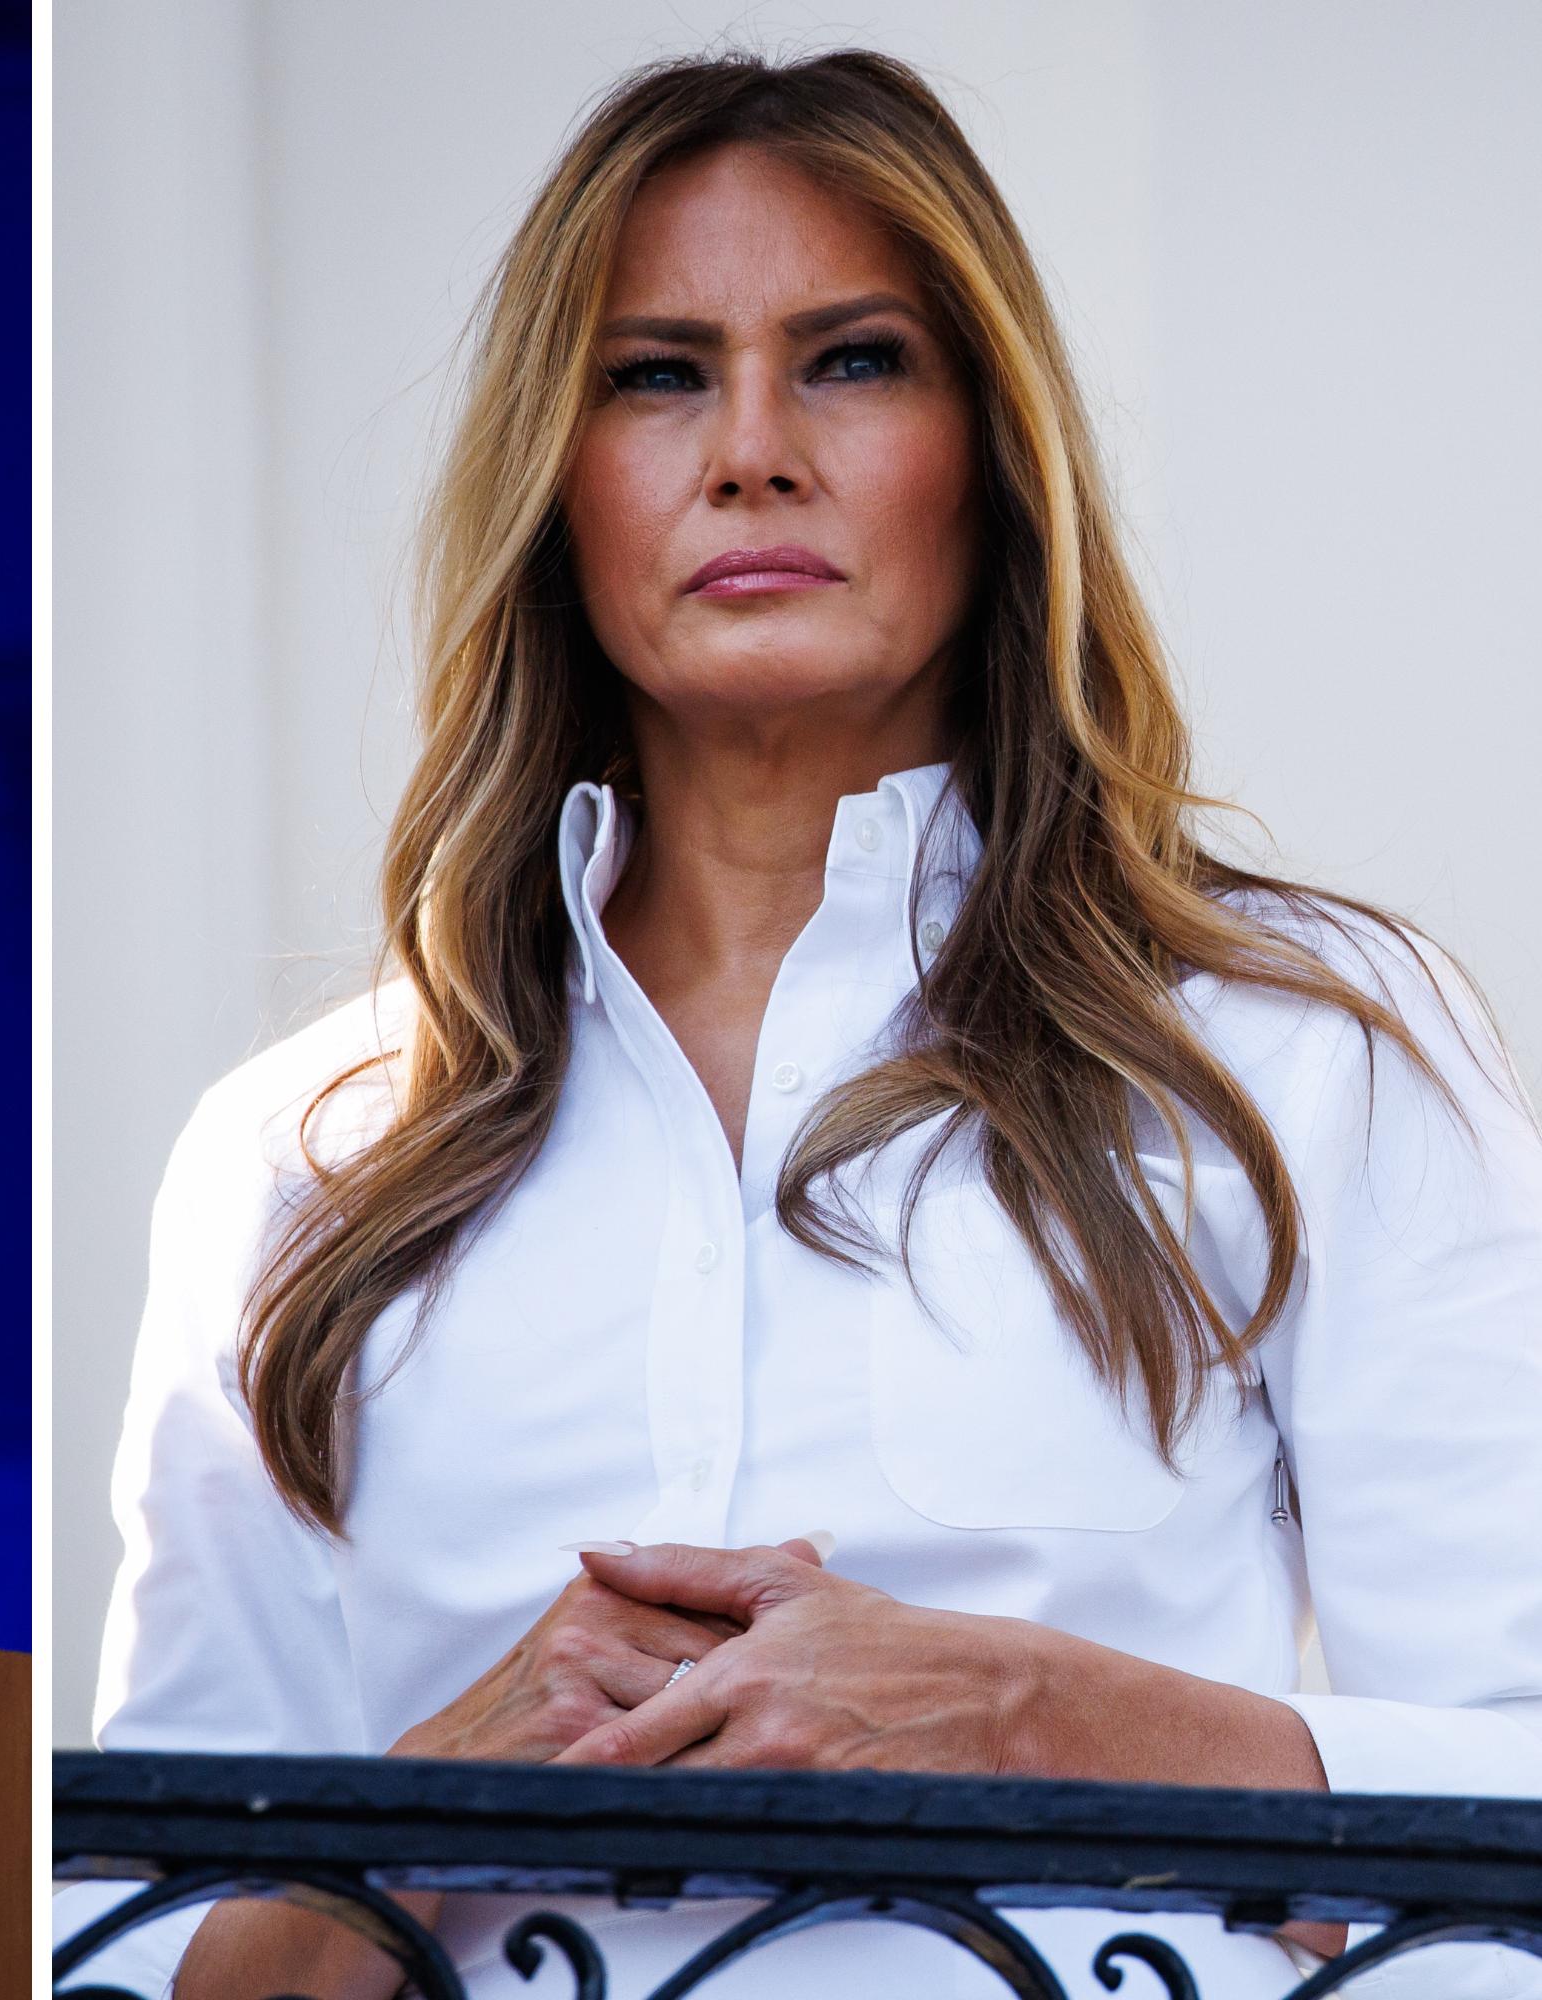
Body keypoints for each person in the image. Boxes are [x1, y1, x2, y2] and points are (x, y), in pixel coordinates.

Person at [78, 50, 1542, 2000]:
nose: (753, 450)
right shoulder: (305, 1156)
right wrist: (439, 1791)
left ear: (990, 448)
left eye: (852, 360)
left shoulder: (1310, 1057)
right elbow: (133, 1944)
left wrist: (1040, 1717)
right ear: (554, 473)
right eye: (657, 372)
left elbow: (1516, 1828)